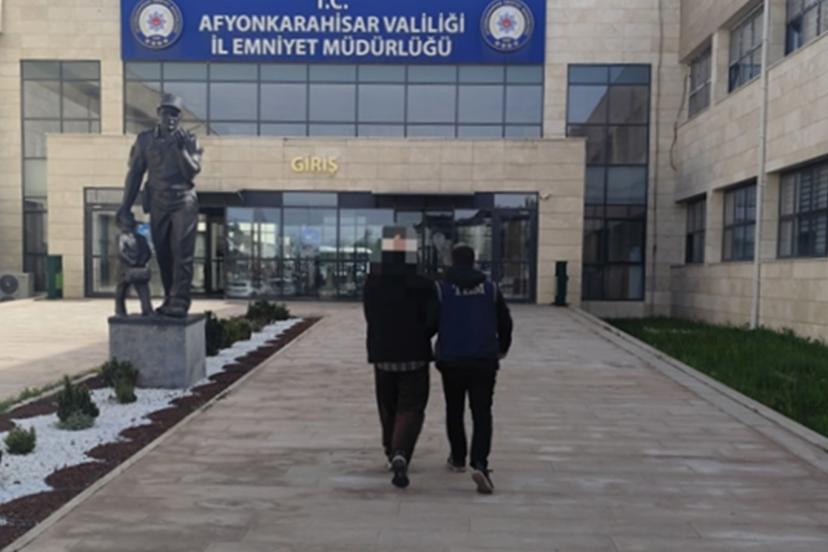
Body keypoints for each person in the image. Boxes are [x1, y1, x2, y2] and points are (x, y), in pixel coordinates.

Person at [363, 226, 437, 489]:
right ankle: (401, 451)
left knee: (388, 405)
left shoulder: (373, 283)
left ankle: (390, 449)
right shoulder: (424, 284)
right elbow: (434, 320)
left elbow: (370, 316)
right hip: (415, 354)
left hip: (383, 354)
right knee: (412, 406)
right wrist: (422, 334)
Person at [117, 93, 203, 318]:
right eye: (167, 113)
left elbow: (191, 172)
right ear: (158, 114)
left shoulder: (189, 140)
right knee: (164, 253)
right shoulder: (145, 140)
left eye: (175, 114)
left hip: (184, 200)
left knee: (182, 253)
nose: (171, 118)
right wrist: (125, 206)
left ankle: (180, 302)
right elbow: (135, 174)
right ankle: (169, 299)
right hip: (157, 201)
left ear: (180, 118)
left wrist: (180, 149)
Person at [435, 244, 513, 494]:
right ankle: (480, 463)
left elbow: (430, 321)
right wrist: (502, 348)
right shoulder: (490, 289)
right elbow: (505, 322)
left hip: (452, 359)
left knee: (454, 408)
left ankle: (458, 457)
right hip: (483, 359)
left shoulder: (442, 290)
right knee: (482, 412)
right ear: (473, 262)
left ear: (453, 261)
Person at [114, 211, 153, 317]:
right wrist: (134, 262)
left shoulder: (140, 238)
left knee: (141, 289)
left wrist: (138, 262)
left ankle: (146, 310)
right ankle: (120, 311)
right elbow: (121, 252)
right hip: (126, 268)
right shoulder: (121, 237)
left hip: (134, 268)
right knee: (122, 290)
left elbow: (147, 252)